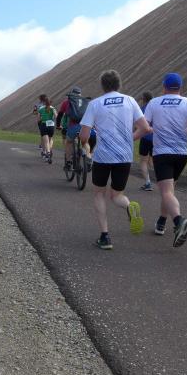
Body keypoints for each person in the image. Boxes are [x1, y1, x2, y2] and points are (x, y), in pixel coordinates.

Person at [80, 70, 150, 249]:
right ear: (119, 84)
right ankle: (129, 206)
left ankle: (105, 236)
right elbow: (144, 128)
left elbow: (84, 135)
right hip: (124, 156)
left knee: (99, 194)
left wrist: (84, 146)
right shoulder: (130, 101)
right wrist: (130, 139)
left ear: (102, 85)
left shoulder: (95, 104)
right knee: (117, 195)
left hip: (102, 156)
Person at [143, 72, 187, 247]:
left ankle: (179, 221)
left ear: (164, 87)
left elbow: (145, 126)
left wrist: (150, 130)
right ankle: (162, 222)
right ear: (180, 87)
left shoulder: (154, 103)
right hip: (182, 153)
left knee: (166, 191)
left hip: (162, 153)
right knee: (169, 189)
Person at [60, 86, 95, 172]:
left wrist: (58, 125)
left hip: (73, 127)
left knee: (69, 142)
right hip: (85, 127)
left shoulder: (67, 102)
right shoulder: (86, 102)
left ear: (72, 93)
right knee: (85, 142)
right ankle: (88, 158)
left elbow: (60, 115)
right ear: (80, 94)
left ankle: (68, 163)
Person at [136, 91, 154, 191]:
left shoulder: (142, 109)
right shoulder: (157, 107)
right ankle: (166, 181)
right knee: (154, 161)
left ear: (144, 99)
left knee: (143, 161)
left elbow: (138, 125)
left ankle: (148, 183)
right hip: (157, 138)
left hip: (145, 138)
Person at [37, 94, 57, 163]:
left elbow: (38, 119)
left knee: (46, 141)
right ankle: (49, 150)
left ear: (44, 102)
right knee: (50, 139)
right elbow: (56, 116)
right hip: (51, 125)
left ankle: (47, 152)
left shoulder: (41, 109)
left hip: (44, 125)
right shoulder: (53, 108)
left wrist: (42, 119)